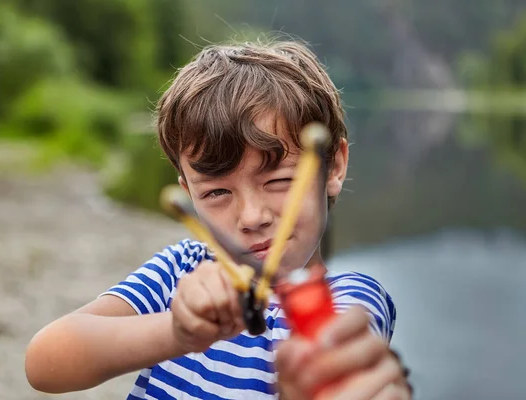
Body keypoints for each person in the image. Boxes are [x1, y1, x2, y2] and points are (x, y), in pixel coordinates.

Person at [25, 39, 412, 399]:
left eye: (279, 181)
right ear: (188, 193)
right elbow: (44, 363)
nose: (252, 216)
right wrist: (177, 332)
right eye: (217, 193)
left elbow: (347, 374)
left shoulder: (348, 298)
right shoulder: (181, 270)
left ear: (334, 166)